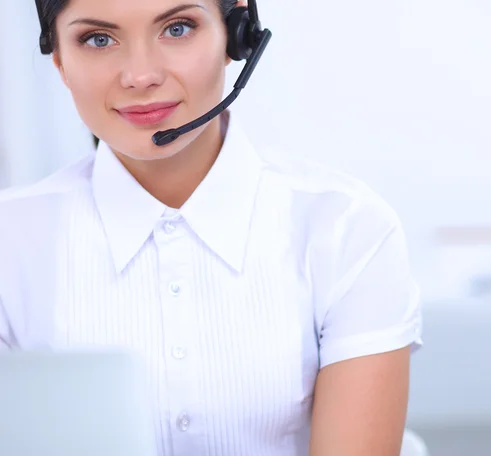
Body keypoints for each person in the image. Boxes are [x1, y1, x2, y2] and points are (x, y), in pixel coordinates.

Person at [0, 0, 423, 455]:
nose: (140, 76)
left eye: (177, 28)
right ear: (61, 61)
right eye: (99, 40)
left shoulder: (345, 228)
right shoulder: (12, 240)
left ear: (236, 35)